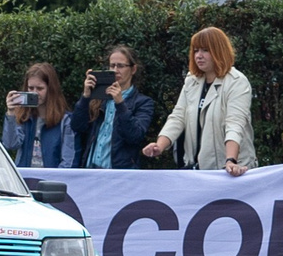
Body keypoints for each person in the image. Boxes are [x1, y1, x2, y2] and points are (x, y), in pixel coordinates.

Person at [145, 26, 254, 174]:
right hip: (197, 170)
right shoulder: (192, 80)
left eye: (205, 50)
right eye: (196, 50)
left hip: (232, 170)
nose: (198, 56)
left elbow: (235, 124)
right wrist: (160, 145)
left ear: (219, 51)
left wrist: (231, 160)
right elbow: (178, 116)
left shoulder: (237, 82)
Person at [69, 42, 156, 169]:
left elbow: (135, 136)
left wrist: (120, 104)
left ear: (133, 69)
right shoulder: (99, 97)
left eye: (120, 66)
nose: (115, 70)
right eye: (112, 66)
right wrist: (85, 97)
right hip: (90, 170)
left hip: (119, 174)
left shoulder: (143, 102)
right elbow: (77, 126)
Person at [1, 61, 74, 167]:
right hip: (25, 179)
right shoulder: (24, 116)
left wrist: (54, 181)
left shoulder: (65, 120)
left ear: (51, 89)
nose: (34, 92)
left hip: (51, 180)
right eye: (30, 88)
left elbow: (67, 161)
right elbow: (10, 144)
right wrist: (11, 113)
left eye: (40, 88)